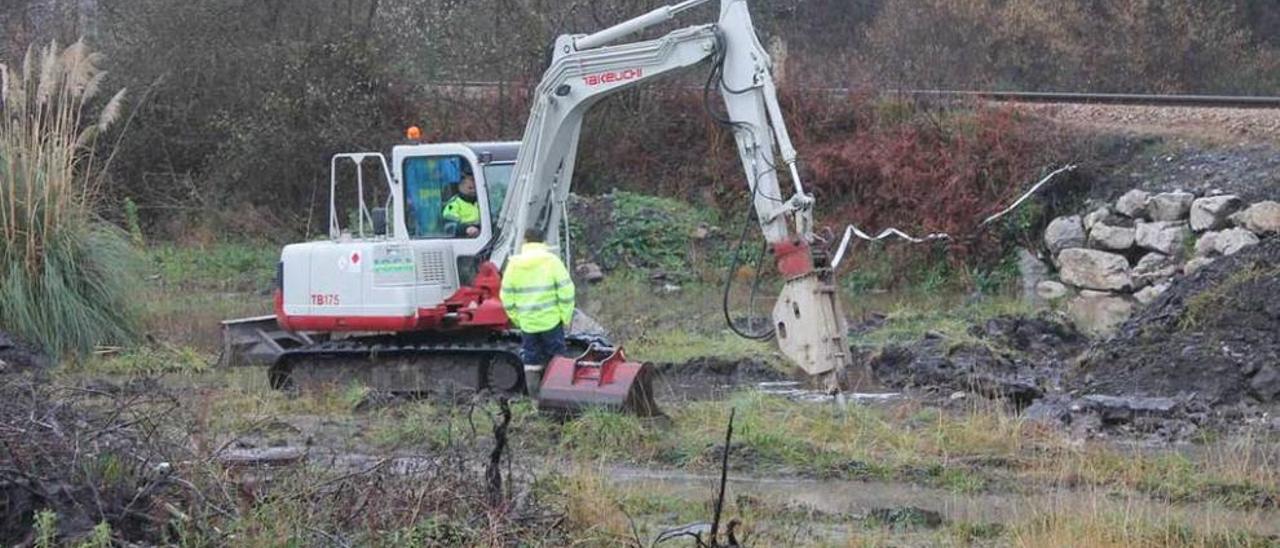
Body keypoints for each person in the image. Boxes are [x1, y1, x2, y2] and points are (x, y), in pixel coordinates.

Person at [500, 228, 575, 396]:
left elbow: (506, 296)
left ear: (525, 241)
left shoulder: (514, 265)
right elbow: (567, 290)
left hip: (528, 323)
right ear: (543, 242)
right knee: (557, 358)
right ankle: (559, 394)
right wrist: (566, 316)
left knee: (532, 360)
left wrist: (517, 319)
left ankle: (535, 397)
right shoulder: (552, 262)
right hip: (552, 321)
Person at [442, 173, 481, 237]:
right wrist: (465, 229)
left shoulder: (481, 200)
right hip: (464, 236)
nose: (473, 191)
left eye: (475, 188)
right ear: (461, 187)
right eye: (470, 188)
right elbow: (449, 223)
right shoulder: (454, 203)